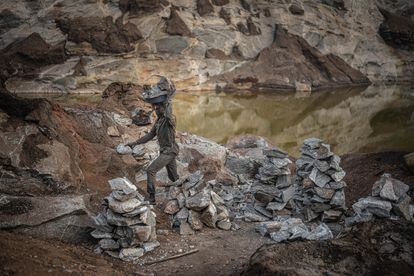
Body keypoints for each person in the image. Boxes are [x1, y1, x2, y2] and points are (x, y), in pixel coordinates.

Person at [127, 99, 179, 205]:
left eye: (158, 108)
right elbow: (150, 135)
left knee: (151, 170)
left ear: (164, 108)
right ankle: (179, 191)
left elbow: (168, 113)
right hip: (165, 151)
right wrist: (135, 143)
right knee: (173, 177)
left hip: (170, 151)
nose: (156, 110)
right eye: (155, 108)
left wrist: (167, 99)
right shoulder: (159, 121)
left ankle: (152, 198)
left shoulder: (170, 119)